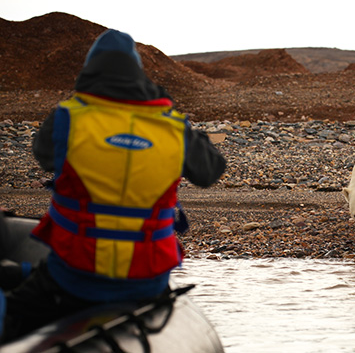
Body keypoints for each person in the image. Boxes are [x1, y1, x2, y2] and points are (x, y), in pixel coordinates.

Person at [1, 29, 226, 342]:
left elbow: (44, 156)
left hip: (74, 277)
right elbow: (211, 171)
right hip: (149, 281)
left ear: (90, 71)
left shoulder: (68, 118)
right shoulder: (173, 127)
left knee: (12, 311)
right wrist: (186, 131)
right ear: (138, 73)